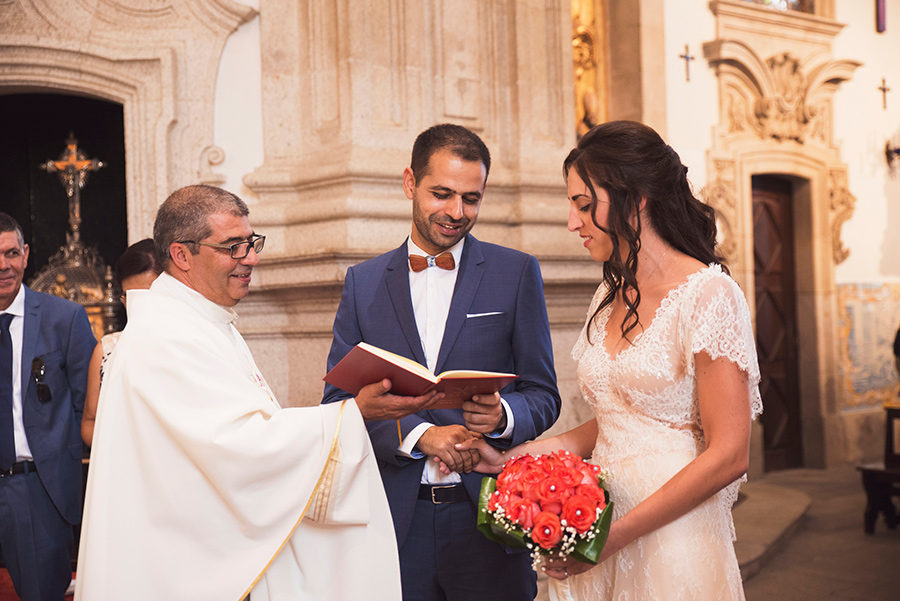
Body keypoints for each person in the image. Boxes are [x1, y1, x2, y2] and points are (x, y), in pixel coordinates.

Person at [75, 185, 441, 601]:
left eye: (251, 243)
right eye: (233, 247)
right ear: (181, 255)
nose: (251, 258)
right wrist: (352, 414)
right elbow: (234, 445)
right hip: (179, 570)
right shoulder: (165, 338)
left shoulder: (201, 322)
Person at [457, 120, 763, 601]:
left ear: (635, 198)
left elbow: (729, 455)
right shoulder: (611, 293)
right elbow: (617, 420)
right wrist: (513, 460)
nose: (572, 221)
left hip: (671, 535)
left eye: (583, 204)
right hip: (600, 518)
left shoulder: (709, 295)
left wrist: (608, 542)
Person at [322, 123, 561, 601]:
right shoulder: (364, 283)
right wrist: (419, 436)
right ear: (410, 183)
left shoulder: (516, 272)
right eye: (442, 194)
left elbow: (544, 394)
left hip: (490, 517)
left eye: (471, 198)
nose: (456, 212)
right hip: (395, 522)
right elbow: (338, 402)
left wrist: (505, 416)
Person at [0, 212, 95, 601]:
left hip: (35, 488)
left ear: (25, 255)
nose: (3, 265)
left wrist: (57, 463)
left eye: (10, 253)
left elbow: (86, 404)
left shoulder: (64, 318)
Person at [81, 238, 161, 446]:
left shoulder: (193, 344)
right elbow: (90, 422)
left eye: (147, 296)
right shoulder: (108, 348)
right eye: (128, 297)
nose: (137, 306)